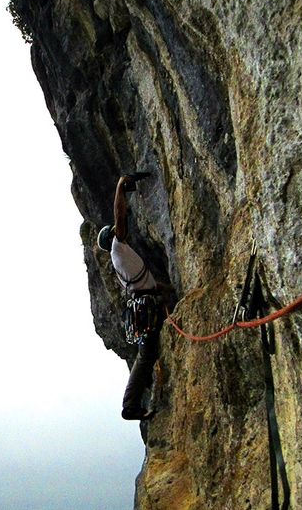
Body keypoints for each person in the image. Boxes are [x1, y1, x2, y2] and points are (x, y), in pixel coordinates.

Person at [97, 174, 171, 421]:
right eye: (116, 232)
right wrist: (120, 186)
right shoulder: (117, 248)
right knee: (147, 354)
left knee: (148, 353)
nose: (122, 232)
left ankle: (137, 398)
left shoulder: (122, 256)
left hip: (145, 303)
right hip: (145, 306)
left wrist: (170, 290)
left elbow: (146, 284)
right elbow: (120, 215)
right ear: (112, 238)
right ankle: (130, 406)